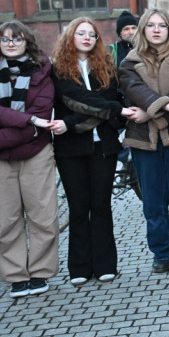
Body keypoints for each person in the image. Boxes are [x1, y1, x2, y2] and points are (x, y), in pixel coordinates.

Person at [0, 21, 60, 298]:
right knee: (7, 219)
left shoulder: (43, 72)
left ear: (28, 42)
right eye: (5, 39)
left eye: (17, 38)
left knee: (42, 216)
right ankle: (15, 275)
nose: (11, 43)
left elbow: (42, 114)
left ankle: (39, 273)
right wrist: (29, 120)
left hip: (35, 152)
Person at [51, 17, 135, 286]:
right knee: (78, 207)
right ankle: (79, 267)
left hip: (104, 146)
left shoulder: (106, 67)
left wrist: (69, 123)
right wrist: (109, 111)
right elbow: (75, 101)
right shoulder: (58, 70)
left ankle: (105, 264)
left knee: (101, 205)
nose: (87, 38)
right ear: (70, 37)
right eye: (81, 33)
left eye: (92, 34)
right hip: (71, 150)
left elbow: (108, 103)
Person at [119, 8, 169, 273]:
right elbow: (136, 91)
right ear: (142, 29)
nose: (156, 30)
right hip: (143, 140)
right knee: (153, 201)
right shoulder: (128, 63)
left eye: (161, 25)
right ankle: (161, 252)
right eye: (150, 25)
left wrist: (153, 111)